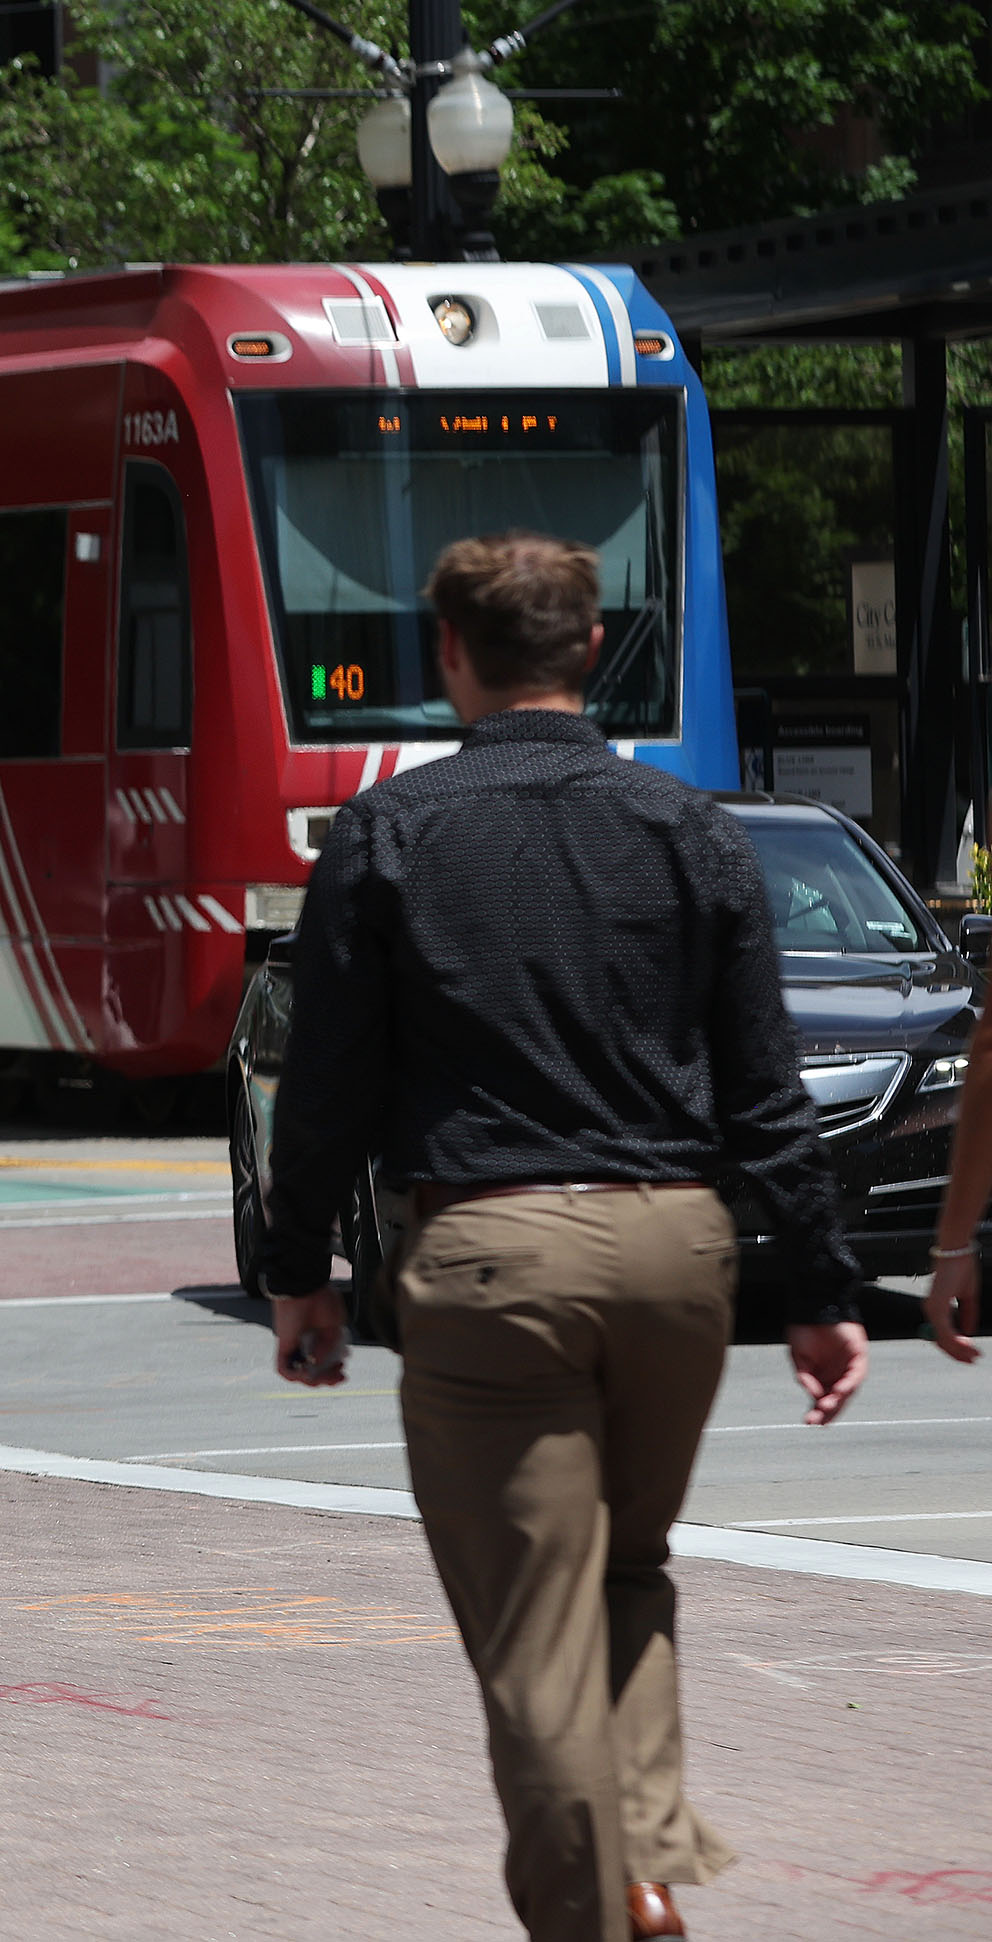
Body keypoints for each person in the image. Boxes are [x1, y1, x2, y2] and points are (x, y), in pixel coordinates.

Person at [257, 532, 878, 1942]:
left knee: (534, 1630)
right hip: (677, 1251)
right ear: (593, 648)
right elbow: (763, 1083)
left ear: (449, 658)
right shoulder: (689, 828)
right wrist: (824, 1287)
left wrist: (301, 1270)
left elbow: (330, 1082)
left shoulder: (390, 831)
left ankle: (594, 1913)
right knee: (628, 1565)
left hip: (494, 1255)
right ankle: (648, 1858)